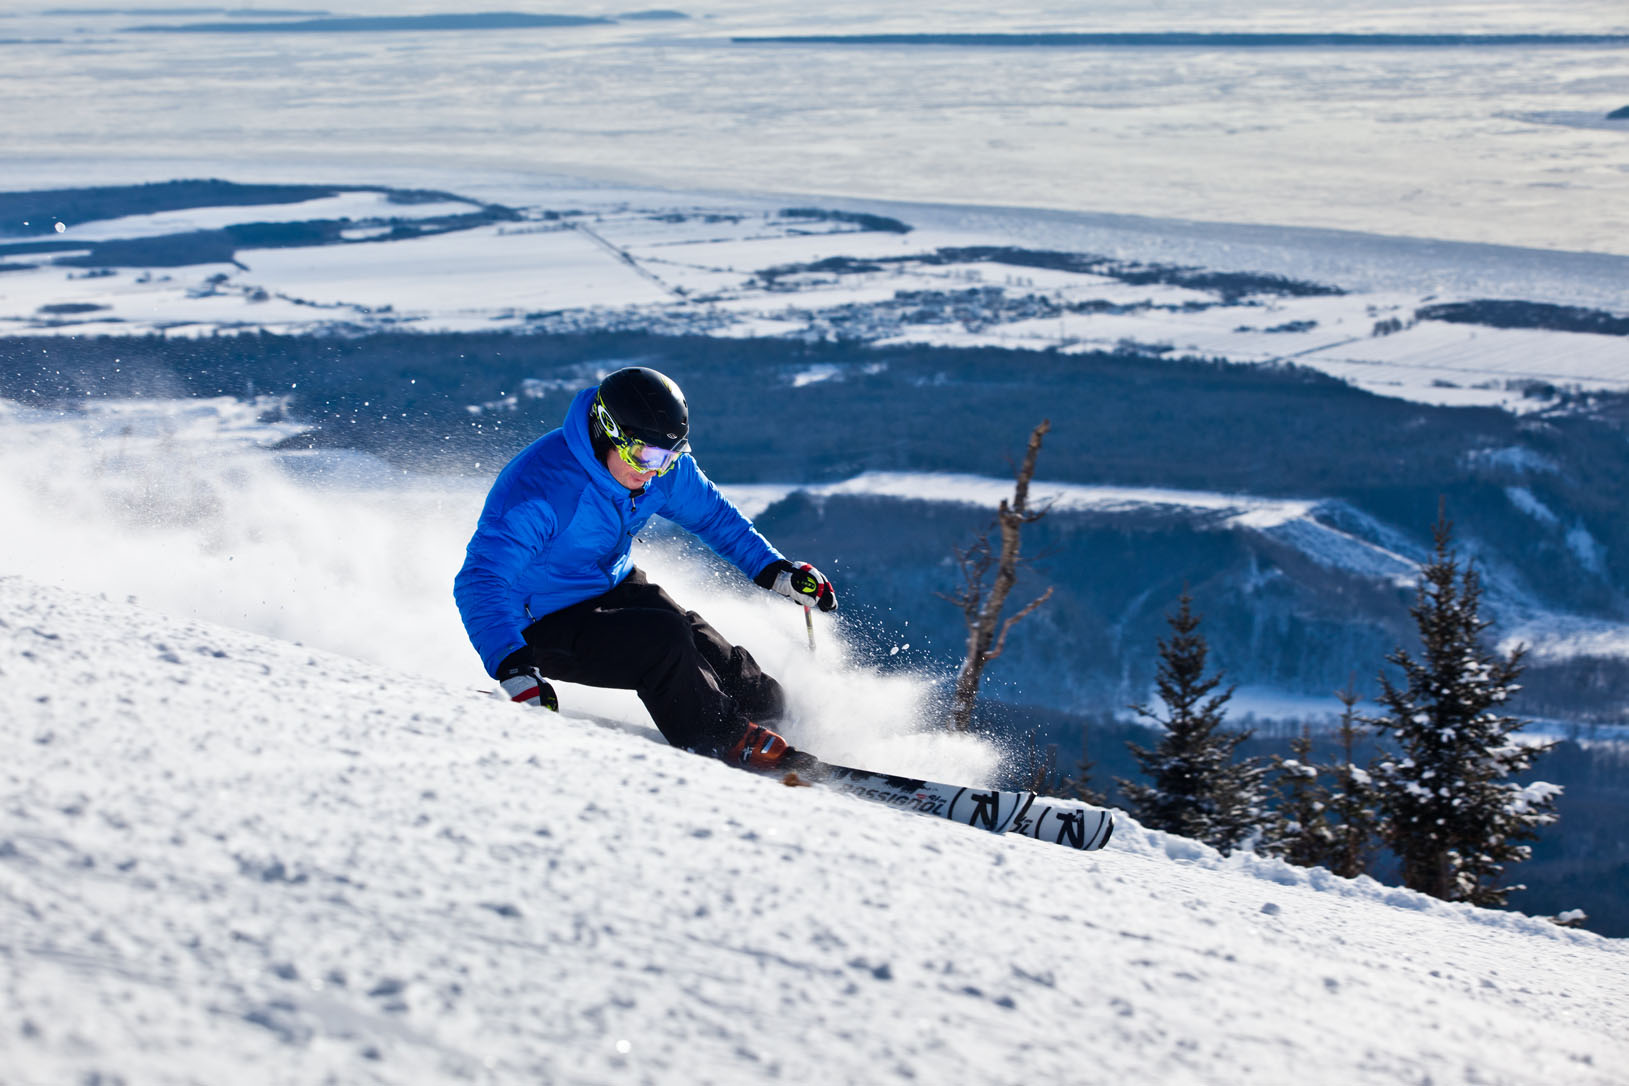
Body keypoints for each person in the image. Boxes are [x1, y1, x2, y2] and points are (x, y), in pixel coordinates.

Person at [453, 366, 837, 771]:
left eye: (670, 457)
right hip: (539, 622)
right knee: (663, 643)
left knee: (722, 660)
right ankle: (725, 741)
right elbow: (480, 580)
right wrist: (514, 666)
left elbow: (715, 518)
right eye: (646, 455)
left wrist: (775, 570)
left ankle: (780, 724)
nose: (654, 470)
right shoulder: (541, 489)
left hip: (613, 584)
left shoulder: (660, 471)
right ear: (606, 430)